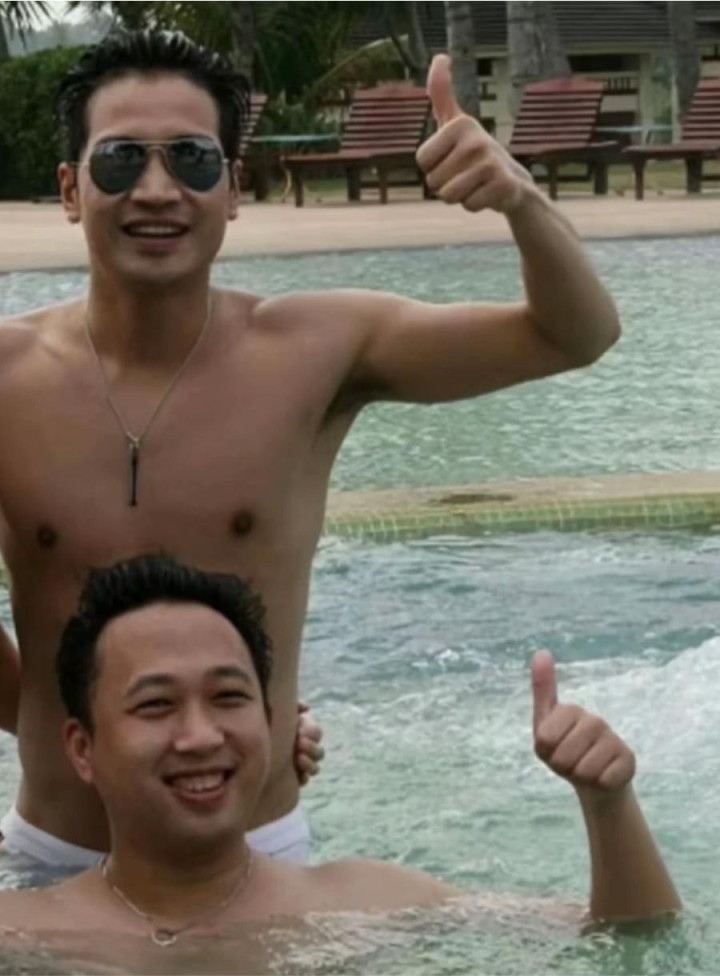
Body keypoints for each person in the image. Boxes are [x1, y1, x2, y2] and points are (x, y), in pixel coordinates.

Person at [0, 28, 621, 880]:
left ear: (233, 189)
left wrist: (519, 199)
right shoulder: (8, 381)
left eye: (192, 159)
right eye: (120, 161)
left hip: (259, 855)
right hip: (60, 852)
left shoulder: (316, 350)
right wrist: (97, 728)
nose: (157, 190)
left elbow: (575, 335)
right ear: (72, 190)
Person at [0, 554, 680, 963]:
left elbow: (632, 942)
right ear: (82, 749)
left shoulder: (368, 905)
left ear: (272, 723)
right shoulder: (24, 935)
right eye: (156, 705)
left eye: (229, 697)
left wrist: (608, 803)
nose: (201, 735)